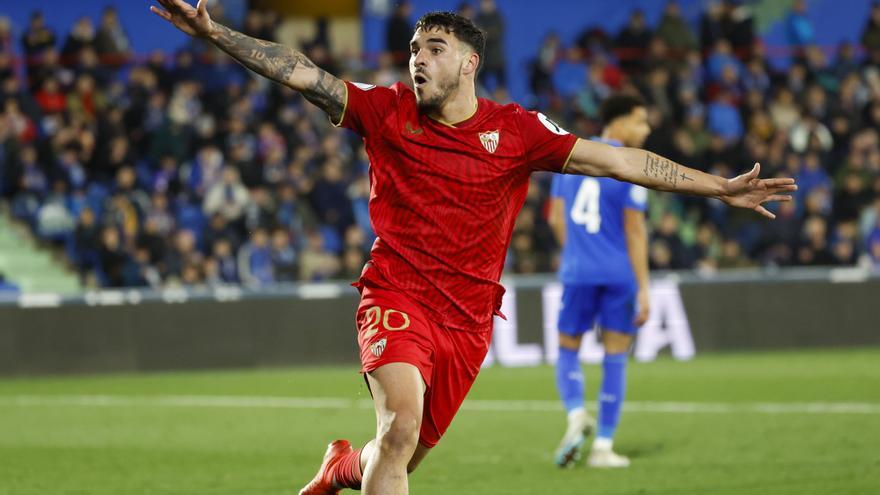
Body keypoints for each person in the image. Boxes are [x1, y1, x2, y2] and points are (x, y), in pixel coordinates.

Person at [149, 3, 796, 493]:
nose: (418, 59)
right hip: (395, 292)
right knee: (400, 427)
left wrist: (717, 187)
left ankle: (337, 469)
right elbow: (303, 73)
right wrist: (216, 34)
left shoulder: (517, 132)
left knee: (394, 453)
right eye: (412, 49)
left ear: (469, 63)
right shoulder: (386, 111)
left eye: (435, 47)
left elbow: (617, 159)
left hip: (467, 319)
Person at [548, 94, 651, 469]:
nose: (646, 129)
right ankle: (604, 447)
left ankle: (576, 413)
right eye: (640, 121)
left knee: (567, 348)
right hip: (619, 274)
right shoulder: (631, 164)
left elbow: (556, 218)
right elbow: (635, 229)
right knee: (615, 358)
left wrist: (577, 253)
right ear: (619, 122)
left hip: (578, 272)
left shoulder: (574, 156)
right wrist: (643, 287)